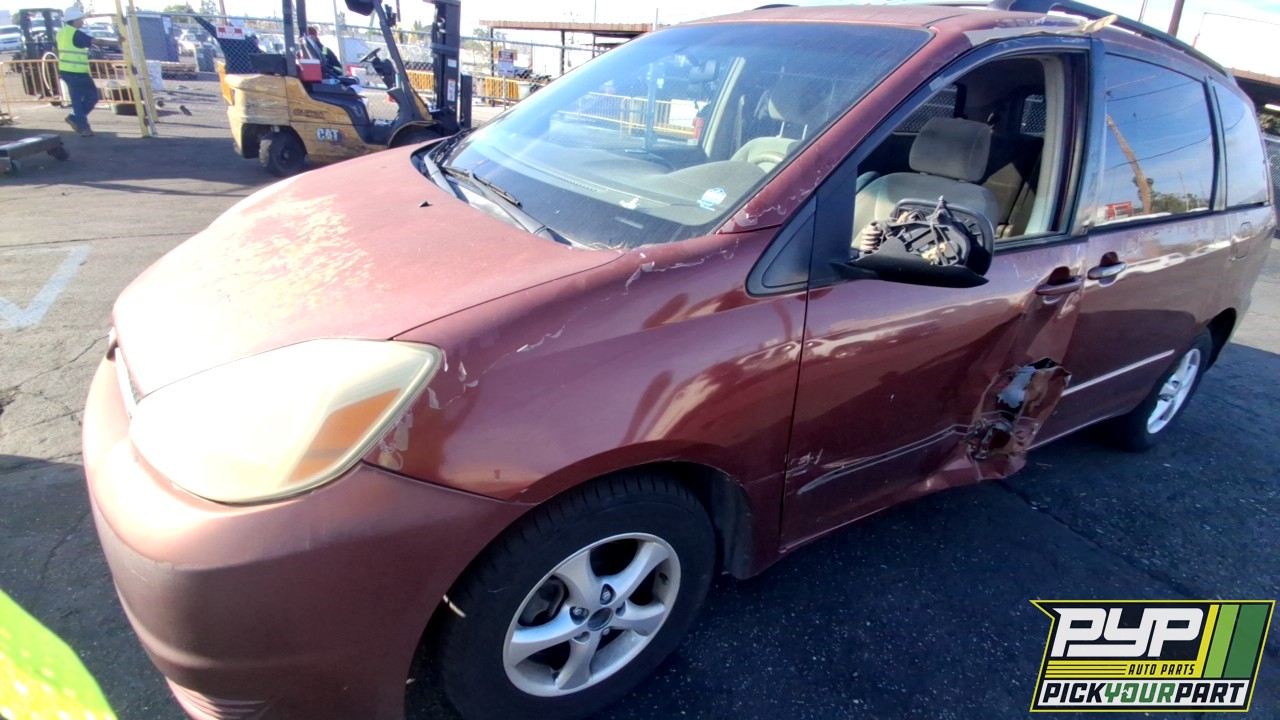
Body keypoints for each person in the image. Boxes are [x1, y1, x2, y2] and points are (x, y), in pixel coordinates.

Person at [58, 6, 113, 137]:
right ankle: (82, 126)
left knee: (79, 98)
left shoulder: (61, 32)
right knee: (91, 97)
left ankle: (77, 120)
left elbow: (57, 49)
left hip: (66, 70)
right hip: (77, 72)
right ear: (75, 20)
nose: (82, 21)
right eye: (81, 19)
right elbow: (97, 42)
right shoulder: (76, 33)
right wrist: (119, 42)